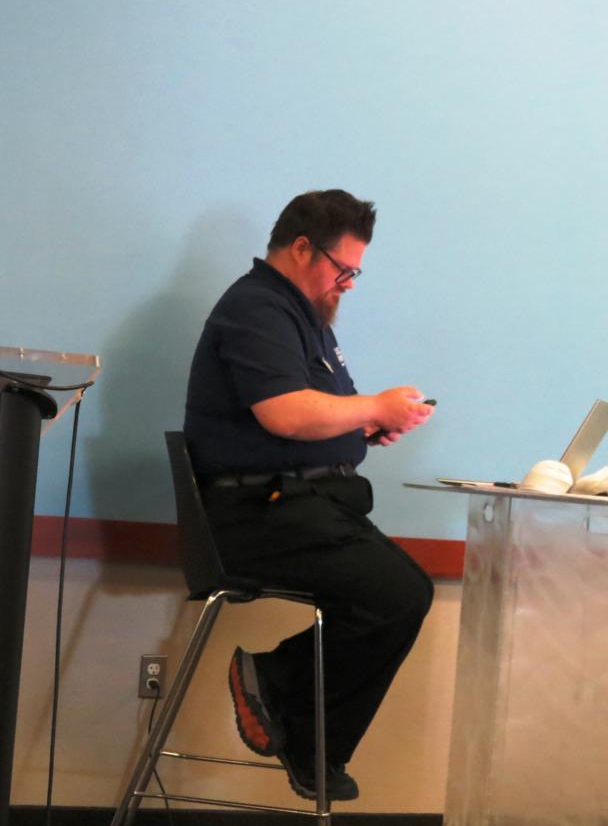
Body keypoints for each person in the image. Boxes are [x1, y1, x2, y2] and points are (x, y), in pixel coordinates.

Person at [182, 189, 434, 802]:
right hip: (254, 514)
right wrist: (373, 406)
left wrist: (364, 426)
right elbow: (286, 414)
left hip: (298, 505)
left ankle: (305, 732)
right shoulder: (257, 309)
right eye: (343, 269)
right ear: (301, 248)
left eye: (354, 274)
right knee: (397, 594)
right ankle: (282, 694)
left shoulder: (305, 320)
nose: (348, 284)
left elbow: (316, 413)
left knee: (406, 593)